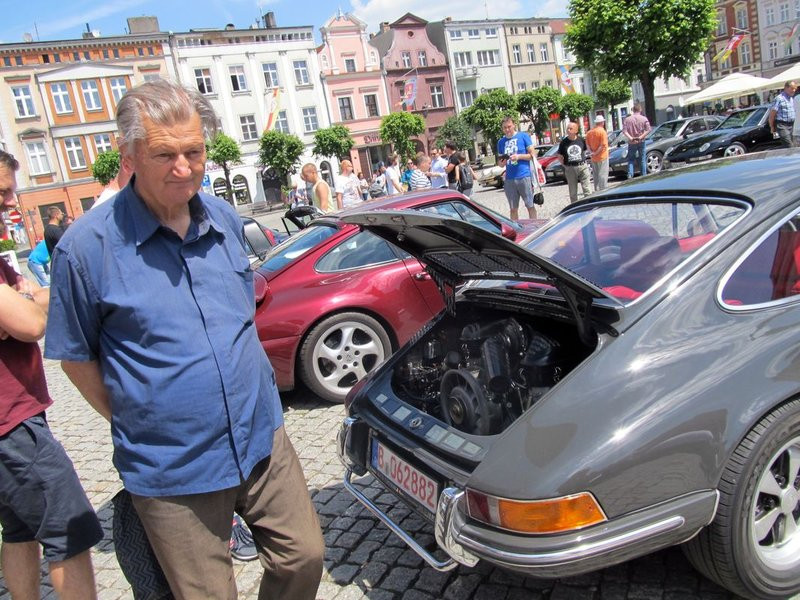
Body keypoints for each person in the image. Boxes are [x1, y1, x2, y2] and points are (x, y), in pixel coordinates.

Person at [44, 79, 324, 600]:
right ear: (128, 155)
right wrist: (143, 417)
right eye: (164, 154)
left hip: (260, 437)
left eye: (194, 151)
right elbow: (76, 359)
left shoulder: (222, 217)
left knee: (304, 557)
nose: (183, 167)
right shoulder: (85, 250)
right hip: (173, 467)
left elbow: (240, 311)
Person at [0, 149, 103, 600]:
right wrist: (25, 305)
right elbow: (31, 324)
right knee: (70, 530)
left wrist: (23, 301)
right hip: (12, 424)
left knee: (19, 528)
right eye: (3, 191)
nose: (12, 200)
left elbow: (30, 305)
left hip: (13, 420)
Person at [497, 117, 537, 221]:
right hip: (509, 179)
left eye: (509, 127)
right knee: (513, 209)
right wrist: (502, 163)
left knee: (530, 205)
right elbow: (500, 163)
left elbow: (532, 155)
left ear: (514, 125)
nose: (507, 129)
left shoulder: (523, 136)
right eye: (504, 128)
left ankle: (534, 226)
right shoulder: (501, 142)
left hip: (524, 176)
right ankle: (515, 228)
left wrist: (519, 156)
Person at [558, 122, 592, 204]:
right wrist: (565, 166)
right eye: (567, 128)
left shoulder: (581, 140)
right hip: (570, 168)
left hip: (582, 166)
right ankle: (575, 207)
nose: (568, 130)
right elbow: (559, 155)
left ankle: (589, 205)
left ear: (576, 131)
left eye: (570, 128)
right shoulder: (563, 142)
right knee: (573, 192)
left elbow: (586, 150)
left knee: (587, 189)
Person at [623, 103, 651, 179]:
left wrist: (631, 138)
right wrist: (641, 137)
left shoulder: (627, 119)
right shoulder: (644, 118)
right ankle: (643, 175)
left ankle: (630, 175)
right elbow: (648, 129)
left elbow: (624, 131)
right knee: (642, 159)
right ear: (640, 109)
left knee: (631, 159)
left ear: (633, 110)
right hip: (641, 141)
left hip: (631, 142)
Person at [768, 80, 797, 148]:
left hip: (792, 125)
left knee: (794, 145)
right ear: (786, 88)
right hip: (782, 125)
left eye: (795, 89)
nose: (794, 90)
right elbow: (772, 114)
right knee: (789, 146)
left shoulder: (791, 99)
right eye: (792, 88)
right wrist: (772, 126)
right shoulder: (779, 98)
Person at [586, 115, 609, 191]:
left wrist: (591, 153)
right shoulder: (602, 132)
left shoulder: (589, 132)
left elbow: (587, 145)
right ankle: (603, 190)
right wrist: (596, 153)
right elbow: (602, 145)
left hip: (593, 158)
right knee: (603, 175)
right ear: (602, 122)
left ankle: (597, 190)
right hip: (602, 156)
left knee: (595, 175)